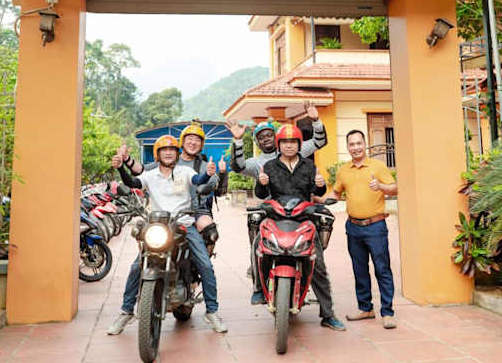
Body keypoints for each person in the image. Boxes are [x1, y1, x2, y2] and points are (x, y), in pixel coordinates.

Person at [107, 135, 228, 335]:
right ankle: (126, 311)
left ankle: (212, 311)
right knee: (137, 266)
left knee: (205, 265)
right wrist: (121, 167)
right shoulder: (150, 175)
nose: (169, 153)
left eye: (172, 150)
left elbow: (198, 181)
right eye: (164, 150)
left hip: (184, 224)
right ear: (158, 154)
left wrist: (207, 174)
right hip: (158, 225)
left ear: (177, 153)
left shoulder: (185, 171)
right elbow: (132, 182)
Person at [225, 100, 327, 296]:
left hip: (299, 211)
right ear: (257, 142)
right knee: (256, 243)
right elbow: (237, 166)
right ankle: (258, 286)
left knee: (315, 245)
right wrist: (238, 141)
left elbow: (319, 142)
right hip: (270, 212)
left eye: (269, 135)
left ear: (277, 136)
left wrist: (316, 120)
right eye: (261, 137)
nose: (265, 139)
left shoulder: (293, 149)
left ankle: (319, 293)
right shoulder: (256, 163)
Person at [254, 124, 346, 332]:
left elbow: (317, 191)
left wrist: (320, 185)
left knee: (317, 264)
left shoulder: (309, 166)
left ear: (298, 144)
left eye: (293, 142)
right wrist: (261, 183)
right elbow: (261, 194)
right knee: (259, 246)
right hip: (276, 217)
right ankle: (259, 289)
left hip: (304, 218)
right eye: (285, 142)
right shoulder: (269, 166)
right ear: (279, 144)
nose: (289, 146)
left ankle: (328, 314)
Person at [331, 129, 397, 329]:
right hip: (353, 228)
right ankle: (365, 308)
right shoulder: (343, 170)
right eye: (352, 144)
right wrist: (317, 199)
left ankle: (387, 312)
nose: (356, 147)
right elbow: (335, 193)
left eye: (358, 143)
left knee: (382, 269)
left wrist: (381, 187)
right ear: (348, 147)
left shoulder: (378, 166)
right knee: (359, 270)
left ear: (365, 144)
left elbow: (395, 188)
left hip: (375, 227)